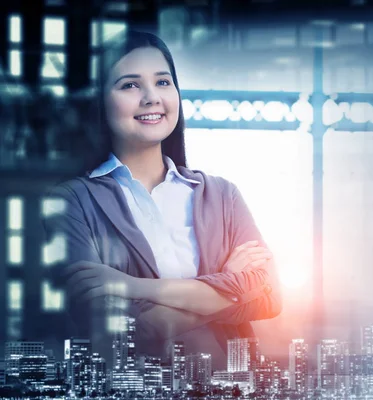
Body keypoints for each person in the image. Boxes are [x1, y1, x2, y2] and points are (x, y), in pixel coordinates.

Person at [43, 31, 282, 363]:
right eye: (130, 85)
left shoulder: (221, 194)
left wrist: (134, 287)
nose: (151, 97)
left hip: (234, 387)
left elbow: (270, 298)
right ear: (99, 100)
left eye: (163, 82)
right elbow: (120, 331)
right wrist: (231, 290)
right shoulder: (74, 201)